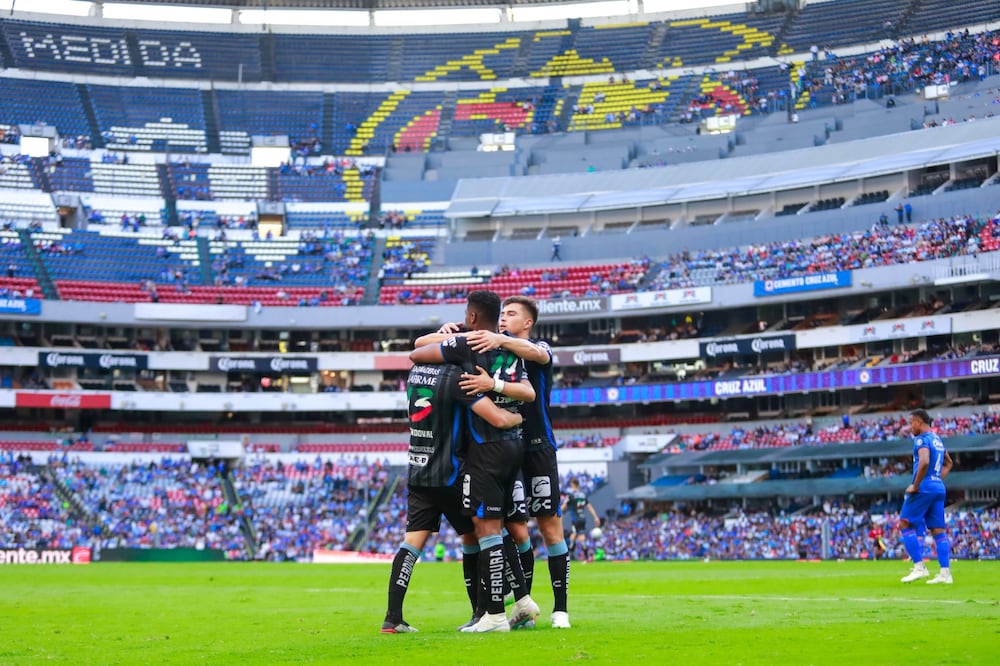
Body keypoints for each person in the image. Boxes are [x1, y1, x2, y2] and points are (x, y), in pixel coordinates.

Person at [410, 290, 540, 633]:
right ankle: (521, 599)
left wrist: (447, 335)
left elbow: (416, 353)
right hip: (513, 445)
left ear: (470, 317)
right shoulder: (513, 347)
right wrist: (512, 411)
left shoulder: (465, 343)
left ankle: (494, 615)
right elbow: (528, 391)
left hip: (485, 448)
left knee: (485, 529)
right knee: (502, 526)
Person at [381, 359, 524, 634]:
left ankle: (393, 617)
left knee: (411, 544)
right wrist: (517, 418)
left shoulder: (415, 373)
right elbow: (496, 418)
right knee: (482, 532)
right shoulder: (455, 377)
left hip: (418, 472)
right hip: (450, 473)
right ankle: (486, 609)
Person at [462, 295, 576, 629]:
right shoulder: (495, 351)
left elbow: (538, 354)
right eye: (502, 314)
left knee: (550, 527)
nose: (503, 319)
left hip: (538, 448)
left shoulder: (536, 348)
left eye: (511, 314)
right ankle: (523, 605)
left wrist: (501, 340)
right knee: (511, 526)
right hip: (504, 447)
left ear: (527, 322)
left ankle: (561, 610)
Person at [899, 409, 953, 584]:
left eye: (911, 423)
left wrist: (915, 485)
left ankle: (919, 568)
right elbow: (949, 463)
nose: (910, 427)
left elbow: (924, 461)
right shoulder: (937, 439)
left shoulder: (921, 439)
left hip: (924, 487)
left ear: (919, 422)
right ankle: (945, 573)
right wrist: (936, 479)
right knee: (938, 530)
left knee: (905, 523)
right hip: (938, 487)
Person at [562, 477, 601, 563]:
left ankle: (572, 557)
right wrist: (595, 517)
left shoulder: (570, 495)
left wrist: (557, 514)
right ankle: (581, 557)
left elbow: (563, 507)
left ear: (572, 484)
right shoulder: (583, 495)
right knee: (577, 535)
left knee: (575, 537)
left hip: (575, 519)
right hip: (582, 518)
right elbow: (589, 507)